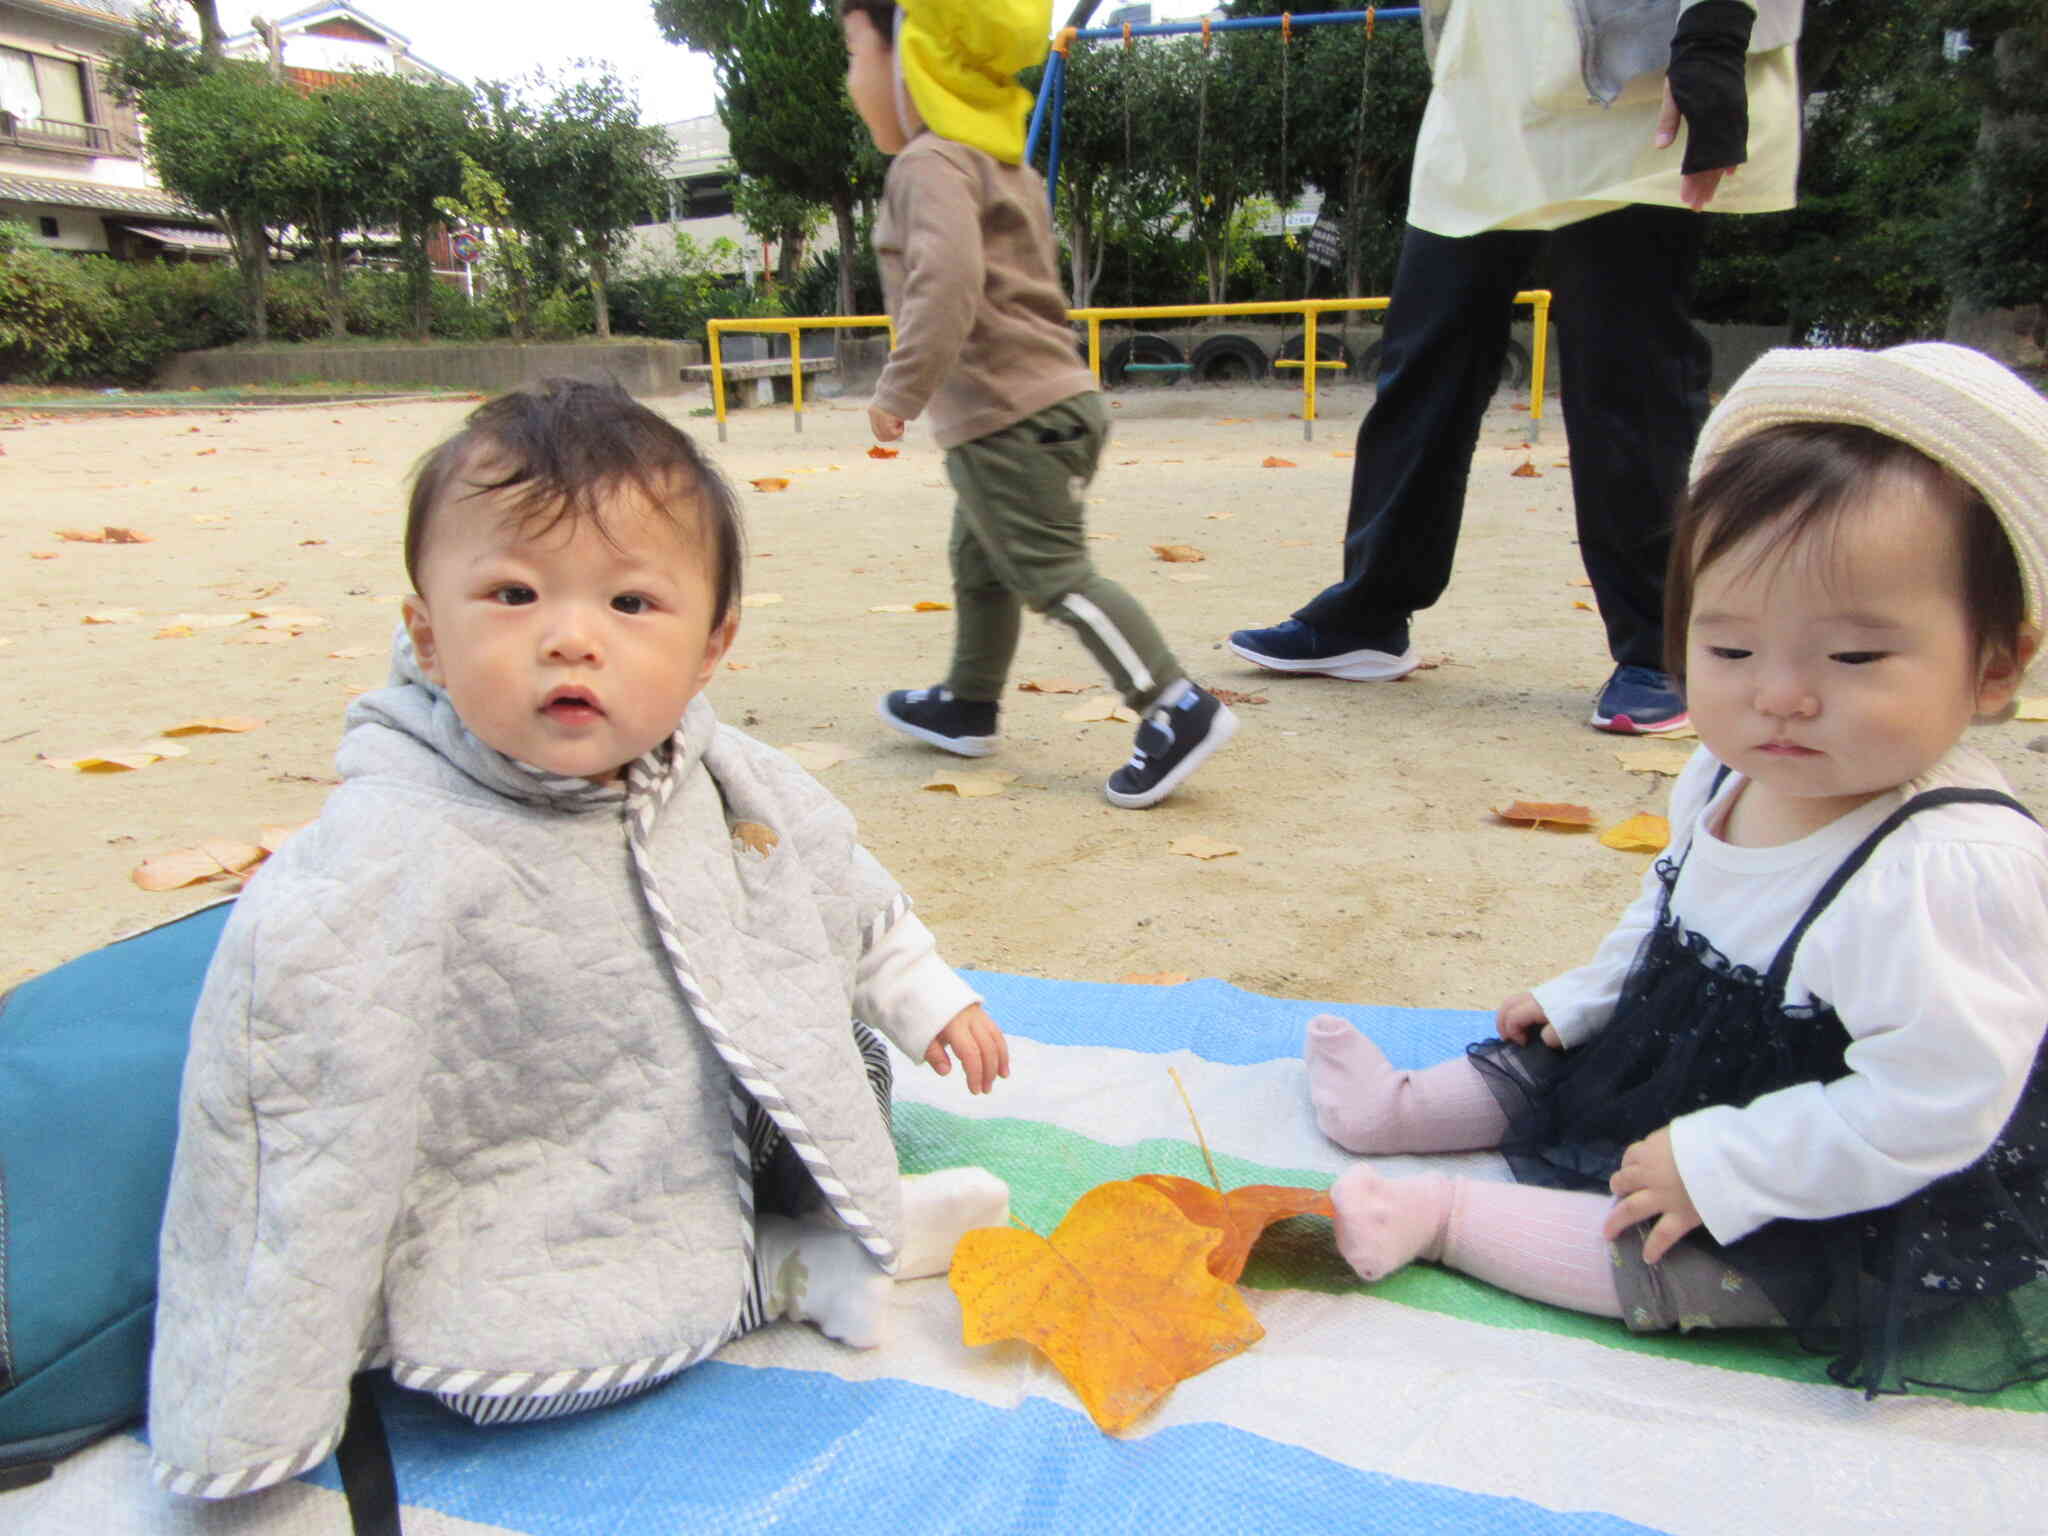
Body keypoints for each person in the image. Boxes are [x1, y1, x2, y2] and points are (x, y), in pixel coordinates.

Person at [149, 378, 1014, 1498]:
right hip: (528, 1165)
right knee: (502, 1364)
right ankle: (777, 1273)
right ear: (426, 629)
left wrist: (927, 990)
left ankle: (838, 1212)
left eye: (631, 605)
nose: (568, 638)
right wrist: (248, 1407)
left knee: (839, 1054)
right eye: (511, 593)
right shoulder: (390, 834)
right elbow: (295, 1098)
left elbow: (832, 884)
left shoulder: (720, 775)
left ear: (712, 646)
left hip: (706, 1108)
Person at [1302, 343, 2048, 1396]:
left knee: (1692, 1259)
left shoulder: (1943, 869)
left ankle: (1450, 1219)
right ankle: (1400, 1110)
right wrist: (1587, 997)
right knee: (1562, 1062)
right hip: (1714, 1056)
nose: (1778, 696)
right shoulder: (1720, 771)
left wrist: (1726, 1165)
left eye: (1851, 659)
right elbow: (1669, 910)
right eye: (1731, 651)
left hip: (1853, 1161)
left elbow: (1932, 1105)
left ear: (1991, 666)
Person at [1231, 0, 1804, 734]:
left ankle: (1662, 646)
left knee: (1625, 366)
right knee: (1423, 360)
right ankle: (1372, 608)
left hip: (1631, 82)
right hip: (1486, 87)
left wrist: (1716, 37)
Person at [845, 0, 1237, 807]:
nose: (850, 81)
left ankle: (1173, 703)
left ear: (916, 59)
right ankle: (968, 700)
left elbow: (947, 283)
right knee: (979, 559)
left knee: (1052, 574)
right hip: (1049, 404)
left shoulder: (929, 164)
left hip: (1005, 419)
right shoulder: (1000, 162)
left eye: (855, 54)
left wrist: (900, 390)